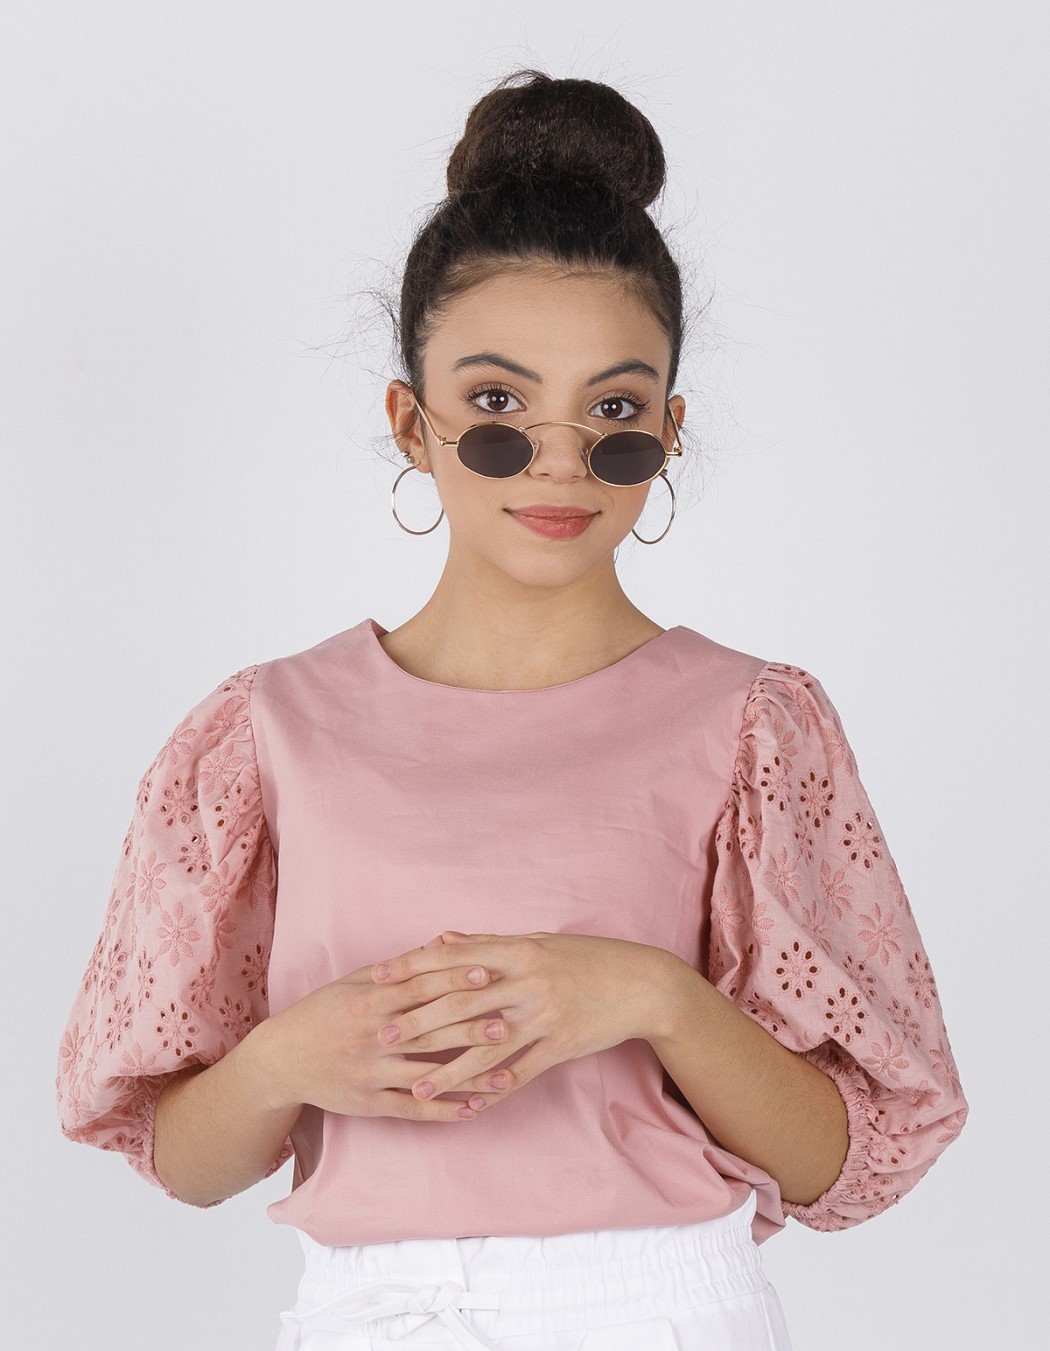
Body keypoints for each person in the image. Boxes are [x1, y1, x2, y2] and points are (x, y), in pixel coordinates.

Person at [56, 70, 967, 1351]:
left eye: (614, 413)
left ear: (670, 431)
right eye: (496, 407)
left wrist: (654, 995)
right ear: (410, 421)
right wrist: (283, 1061)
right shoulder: (269, 732)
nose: (558, 459)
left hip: (659, 1313)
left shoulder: (751, 725)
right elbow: (182, 1159)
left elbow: (843, 1163)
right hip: (369, 1316)